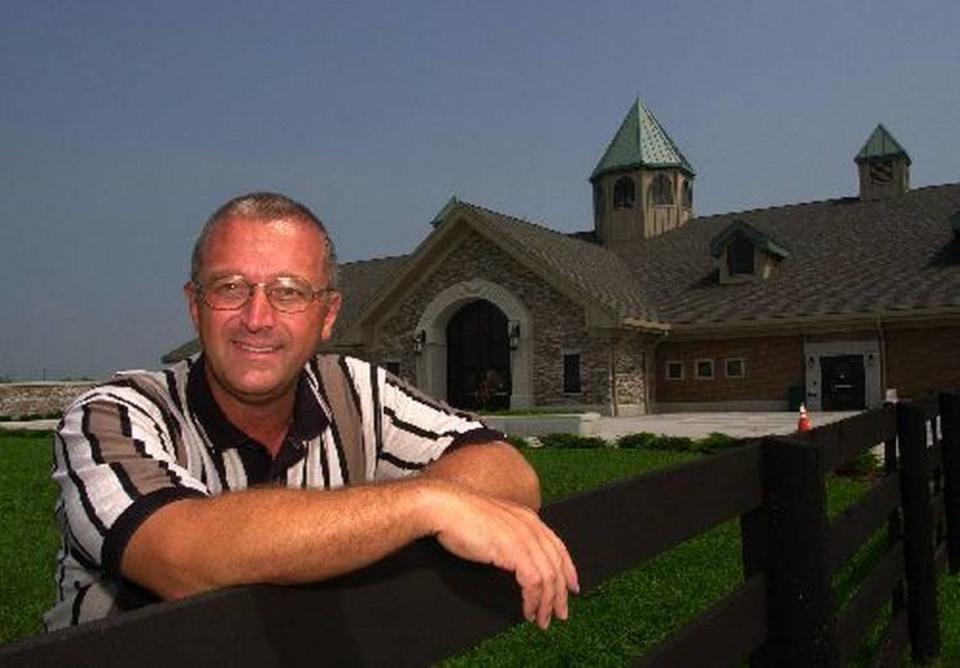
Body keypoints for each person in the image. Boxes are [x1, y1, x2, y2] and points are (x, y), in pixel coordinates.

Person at [45, 192, 578, 632]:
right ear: (195, 305)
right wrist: (425, 503)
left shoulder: (355, 390)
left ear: (328, 315)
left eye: (289, 292)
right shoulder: (112, 416)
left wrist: (436, 502)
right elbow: (182, 558)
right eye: (230, 288)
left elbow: (507, 474)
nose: (257, 317)